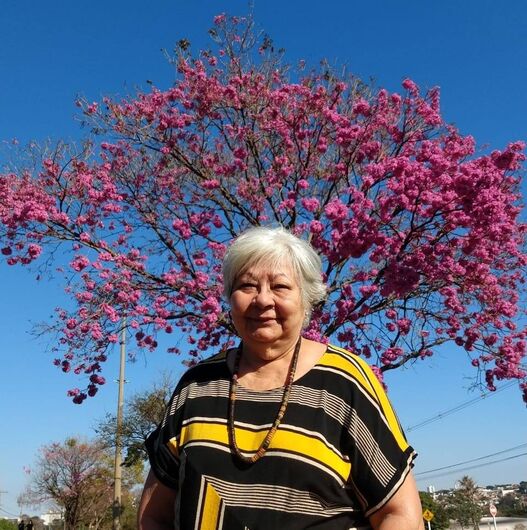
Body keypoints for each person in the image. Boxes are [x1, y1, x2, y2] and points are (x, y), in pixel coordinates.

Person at [139, 226, 424, 529]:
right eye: (247, 285)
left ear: (307, 300)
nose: (262, 300)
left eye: (280, 286)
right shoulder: (196, 385)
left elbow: (400, 514)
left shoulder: (346, 381)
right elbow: (154, 515)